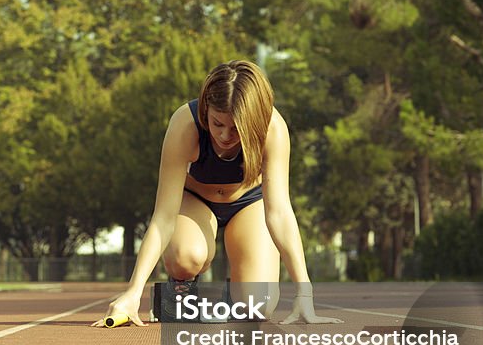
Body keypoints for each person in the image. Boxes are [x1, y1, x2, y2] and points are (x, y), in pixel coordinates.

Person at [92, 59, 341, 327]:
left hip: (249, 202)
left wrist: (304, 292)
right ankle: (179, 290)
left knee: (258, 306)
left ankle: (231, 300)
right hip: (196, 199)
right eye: (217, 123)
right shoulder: (184, 125)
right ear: (206, 111)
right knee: (187, 257)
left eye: (236, 129)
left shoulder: (273, 129)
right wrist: (134, 291)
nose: (224, 135)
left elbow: (279, 213)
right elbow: (163, 217)